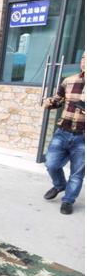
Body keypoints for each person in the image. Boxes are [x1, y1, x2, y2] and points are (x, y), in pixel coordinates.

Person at [43, 51, 85, 215]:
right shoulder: (69, 80)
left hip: (83, 137)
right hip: (63, 132)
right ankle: (60, 185)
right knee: (51, 164)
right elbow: (58, 100)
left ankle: (68, 201)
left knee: (77, 174)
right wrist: (50, 102)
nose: (84, 61)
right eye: (83, 57)